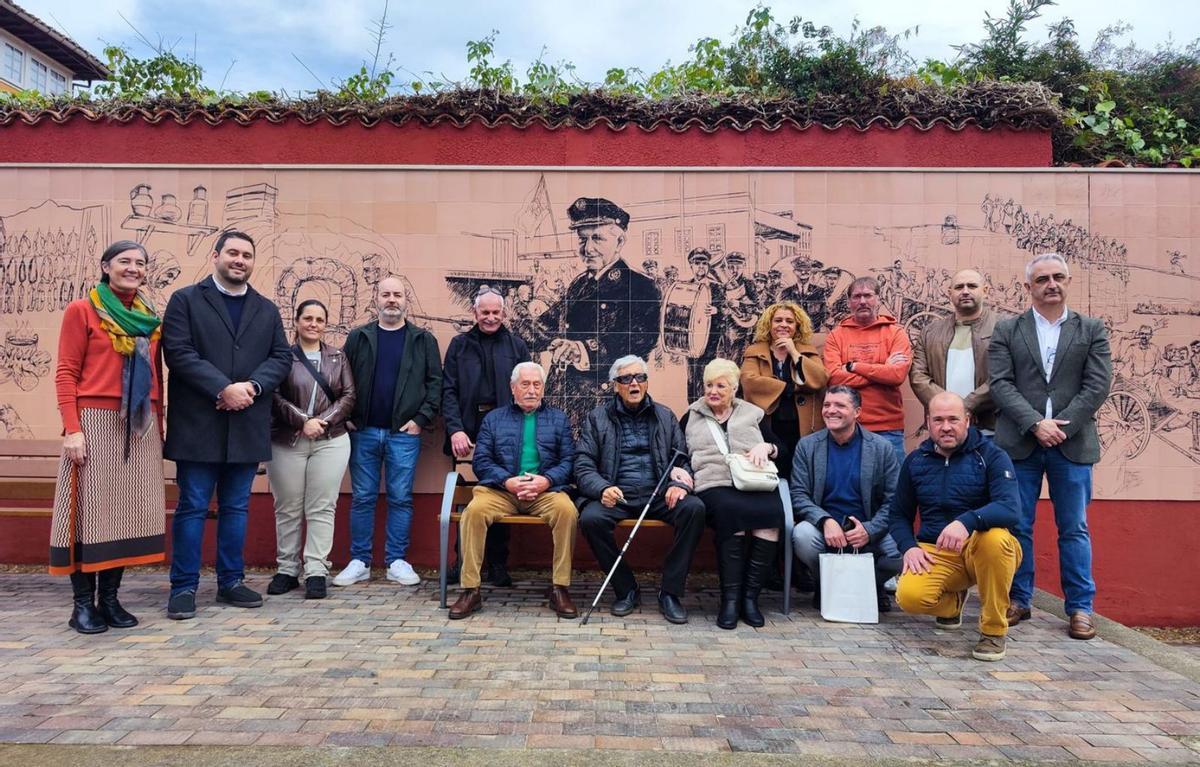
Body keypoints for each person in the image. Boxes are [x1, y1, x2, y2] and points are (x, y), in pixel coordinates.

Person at [162, 230, 292, 620]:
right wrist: (223, 387)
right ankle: (183, 588)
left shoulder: (266, 309)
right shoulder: (185, 300)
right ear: (215, 255)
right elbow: (179, 352)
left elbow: (281, 356)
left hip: (246, 425)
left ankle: (231, 583)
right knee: (192, 508)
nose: (240, 260)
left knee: (237, 508)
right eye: (232, 253)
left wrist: (251, 386)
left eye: (247, 255)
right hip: (199, 424)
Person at [989, 253, 1112, 640]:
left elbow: (1097, 384)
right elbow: (1000, 383)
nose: (1051, 284)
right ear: (1029, 287)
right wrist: (1034, 423)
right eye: (1042, 279)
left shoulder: (1092, 329)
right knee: (1018, 525)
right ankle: (1019, 599)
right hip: (1021, 443)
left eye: (1058, 277)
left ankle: (1080, 608)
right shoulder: (1008, 330)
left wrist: (1061, 425)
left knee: (1073, 527)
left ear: (1068, 281)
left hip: (1071, 444)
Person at [49, 241, 166, 634]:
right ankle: (82, 605)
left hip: (138, 423)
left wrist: (158, 425)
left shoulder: (150, 319)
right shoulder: (82, 310)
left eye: (140, 263)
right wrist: (73, 428)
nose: (133, 268)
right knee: (87, 514)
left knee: (121, 514)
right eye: (124, 262)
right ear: (106, 266)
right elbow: (66, 372)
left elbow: (156, 378)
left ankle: (111, 601)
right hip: (94, 421)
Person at [891, 392, 1023, 661]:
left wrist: (966, 522)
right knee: (908, 597)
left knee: (995, 540)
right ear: (928, 422)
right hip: (937, 551)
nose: (946, 427)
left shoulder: (992, 456)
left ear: (968, 420)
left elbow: (1010, 508)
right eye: (938, 420)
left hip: (983, 549)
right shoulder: (916, 461)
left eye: (953, 419)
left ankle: (993, 632)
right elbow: (898, 514)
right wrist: (909, 548)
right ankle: (951, 604)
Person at [576, 355, 706, 623]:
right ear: (615, 385)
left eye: (640, 377)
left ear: (646, 383)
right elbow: (583, 463)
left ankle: (669, 592)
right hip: (617, 494)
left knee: (694, 509)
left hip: (658, 493)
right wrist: (602, 488)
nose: (634, 383)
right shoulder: (597, 418)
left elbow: (681, 457)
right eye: (626, 379)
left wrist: (679, 484)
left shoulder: (665, 415)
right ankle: (626, 589)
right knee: (590, 519)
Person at [448, 362, 579, 619]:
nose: (531, 390)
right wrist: (508, 481)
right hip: (501, 492)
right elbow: (482, 461)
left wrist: (546, 481)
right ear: (512, 387)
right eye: (525, 384)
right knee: (474, 512)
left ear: (544, 388)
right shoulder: (494, 419)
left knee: (567, 511)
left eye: (537, 384)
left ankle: (560, 587)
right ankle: (470, 590)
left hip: (545, 492)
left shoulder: (559, 419)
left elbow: (569, 461)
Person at [335, 277, 443, 588]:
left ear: (406, 299)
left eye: (397, 294)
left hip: (404, 433)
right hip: (364, 431)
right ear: (376, 299)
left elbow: (435, 383)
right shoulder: (359, 338)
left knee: (400, 498)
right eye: (386, 294)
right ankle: (360, 561)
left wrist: (420, 420)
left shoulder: (423, 340)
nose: (391, 300)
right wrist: (348, 418)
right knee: (363, 498)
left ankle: (396, 561)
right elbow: (342, 379)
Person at [533, 197, 661, 424]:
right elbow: (545, 326)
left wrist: (580, 350)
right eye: (582, 239)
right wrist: (501, 323)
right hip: (560, 401)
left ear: (620, 241)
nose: (588, 248)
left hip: (602, 409)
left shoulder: (640, 286)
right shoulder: (579, 283)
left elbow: (635, 344)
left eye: (597, 238)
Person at [682, 359, 786, 630]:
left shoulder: (753, 413)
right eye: (708, 385)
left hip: (753, 482)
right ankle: (729, 600)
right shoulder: (691, 415)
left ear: (734, 389)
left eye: (720, 386)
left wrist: (768, 448)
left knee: (771, 515)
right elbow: (678, 453)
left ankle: (749, 599)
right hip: (713, 484)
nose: (713, 391)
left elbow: (783, 449)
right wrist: (678, 474)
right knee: (730, 513)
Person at [265, 299, 356, 601]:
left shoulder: (337, 357)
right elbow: (274, 396)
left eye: (319, 319)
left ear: (325, 324)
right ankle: (287, 569)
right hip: (287, 440)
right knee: (288, 506)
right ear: (297, 321)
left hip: (330, 440)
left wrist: (322, 422)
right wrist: (303, 421)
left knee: (321, 506)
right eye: (308, 318)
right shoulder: (281, 357)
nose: (313, 324)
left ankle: (316, 569)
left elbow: (348, 395)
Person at [441, 287, 531, 587]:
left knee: (501, 494)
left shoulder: (517, 346)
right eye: (485, 312)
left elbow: (525, 390)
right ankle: (463, 561)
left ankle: (497, 564)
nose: (491, 318)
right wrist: (455, 429)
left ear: (503, 313)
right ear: (475, 313)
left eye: (496, 312)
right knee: (466, 502)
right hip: (467, 429)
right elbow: (449, 390)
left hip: (506, 432)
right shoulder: (459, 345)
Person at [790, 385, 902, 613]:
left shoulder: (881, 448)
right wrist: (825, 521)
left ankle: (872, 585)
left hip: (868, 527)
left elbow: (894, 500)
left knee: (900, 549)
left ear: (858, 412)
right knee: (802, 534)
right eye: (827, 405)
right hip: (826, 530)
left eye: (840, 405)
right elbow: (798, 494)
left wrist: (869, 530)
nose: (831, 411)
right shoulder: (808, 446)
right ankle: (826, 584)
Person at [823, 276, 912, 465]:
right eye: (856, 296)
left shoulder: (896, 333)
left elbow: (897, 375)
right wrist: (882, 370)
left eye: (868, 295)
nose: (862, 301)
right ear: (849, 302)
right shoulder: (836, 336)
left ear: (878, 299)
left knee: (892, 491)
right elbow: (834, 379)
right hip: (846, 429)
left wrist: (855, 367)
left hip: (888, 429)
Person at [740, 301, 829, 474]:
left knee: (802, 472)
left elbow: (820, 379)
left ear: (797, 326)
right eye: (778, 320)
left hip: (801, 426)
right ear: (769, 324)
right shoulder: (755, 351)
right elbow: (749, 381)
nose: (783, 325)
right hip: (768, 425)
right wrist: (789, 388)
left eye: (789, 321)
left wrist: (794, 352)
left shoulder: (807, 350)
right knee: (775, 471)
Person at [910, 269, 999, 433]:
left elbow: (1003, 376)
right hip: (944, 429)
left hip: (990, 428)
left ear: (985, 291)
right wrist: (949, 410)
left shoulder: (1003, 328)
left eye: (972, 286)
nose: (965, 291)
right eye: (959, 287)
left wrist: (967, 405)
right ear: (949, 293)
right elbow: (918, 377)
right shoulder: (930, 332)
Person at [681, 248, 724, 401]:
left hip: (709, 341)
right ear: (691, 265)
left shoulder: (716, 287)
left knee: (706, 377)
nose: (701, 266)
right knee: (692, 378)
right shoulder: (685, 286)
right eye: (697, 263)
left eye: (704, 263)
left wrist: (717, 310)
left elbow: (726, 311)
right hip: (690, 341)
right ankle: (692, 409)